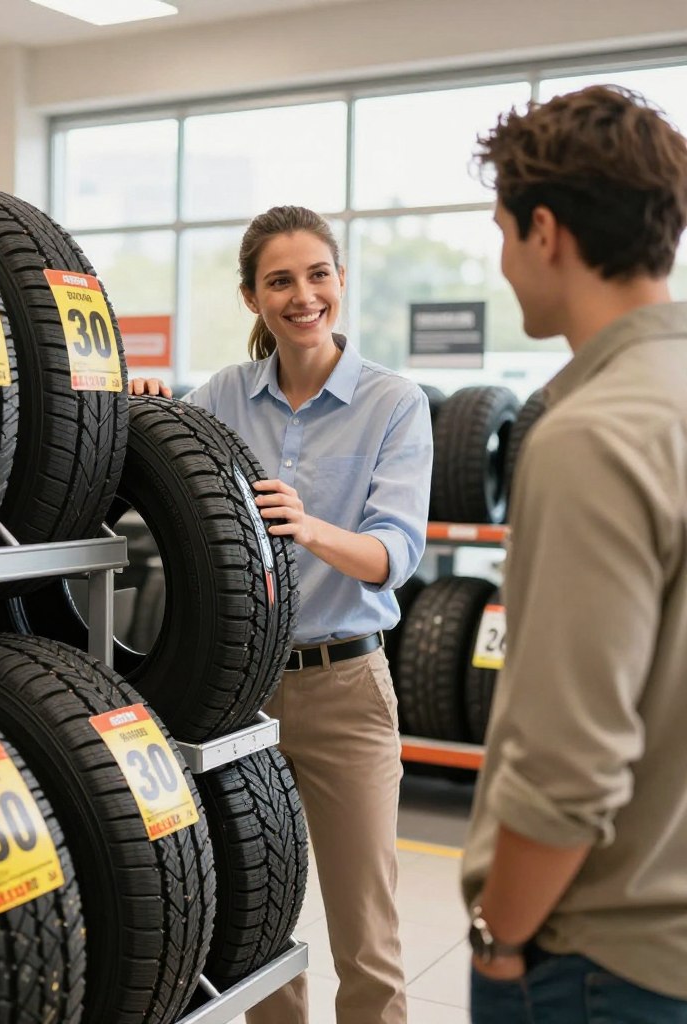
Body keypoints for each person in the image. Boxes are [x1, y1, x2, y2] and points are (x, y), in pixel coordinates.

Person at [130, 205, 433, 1024]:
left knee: (366, 935)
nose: (303, 295)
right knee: (259, 926)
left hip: (347, 690)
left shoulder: (394, 403)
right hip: (243, 689)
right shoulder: (225, 395)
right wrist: (147, 406)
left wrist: (310, 527)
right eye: (280, 281)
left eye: (317, 274)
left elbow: (394, 554)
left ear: (340, 280)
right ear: (251, 297)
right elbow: (162, 462)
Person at [460, 85, 687, 1022]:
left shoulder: (591, 434)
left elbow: (568, 767)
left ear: (544, 231)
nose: (506, 263)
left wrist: (500, 938)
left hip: (598, 960)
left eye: (505, 233)